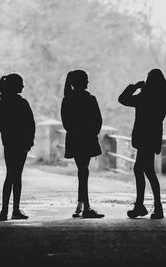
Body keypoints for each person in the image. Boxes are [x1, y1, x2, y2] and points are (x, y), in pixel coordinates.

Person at [118, 69, 166, 219]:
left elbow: (122, 99)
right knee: (146, 171)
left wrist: (134, 86)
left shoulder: (143, 96)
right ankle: (149, 206)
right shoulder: (163, 97)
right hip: (153, 137)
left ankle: (145, 207)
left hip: (142, 136)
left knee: (143, 171)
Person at [61, 70, 104, 219]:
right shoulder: (90, 99)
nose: (88, 82)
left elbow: (66, 122)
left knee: (82, 171)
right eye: (86, 79)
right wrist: (91, 133)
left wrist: (76, 132)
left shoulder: (67, 99)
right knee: (83, 172)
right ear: (80, 82)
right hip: (87, 139)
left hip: (74, 139)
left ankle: (82, 204)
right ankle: (86, 207)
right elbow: (98, 121)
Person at [0, 73, 35, 221]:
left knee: (10, 175)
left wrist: (8, 139)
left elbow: (2, 126)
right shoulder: (22, 103)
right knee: (16, 176)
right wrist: (28, 142)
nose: (23, 86)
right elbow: (30, 125)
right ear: (16, 85)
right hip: (21, 144)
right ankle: (15, 210)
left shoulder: (2, 103)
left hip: (9, 144)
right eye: (21, 83)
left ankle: (4, 211)